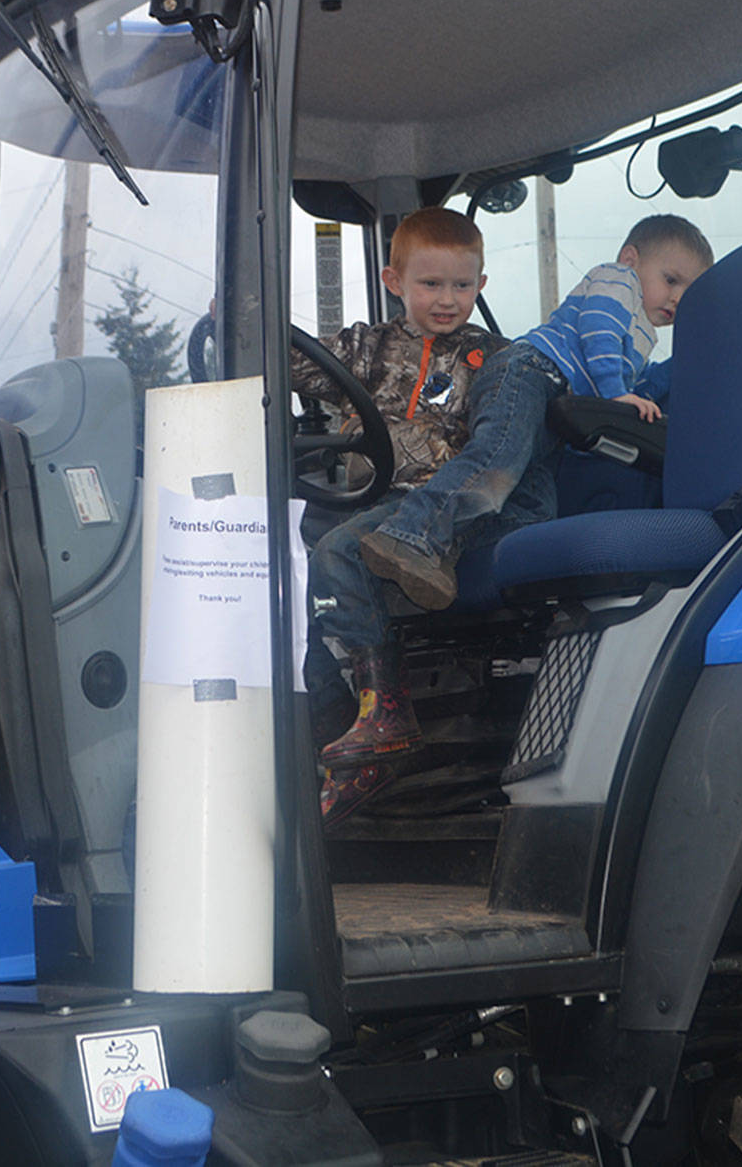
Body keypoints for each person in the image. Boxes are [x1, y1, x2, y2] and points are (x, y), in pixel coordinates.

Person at [357, 214, 713, 615]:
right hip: (530, 374)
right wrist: (616, 393)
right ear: (631, 258)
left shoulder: (641, 333)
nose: (677, 298)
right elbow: (598, 332)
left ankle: (435, 554)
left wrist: (691, 360)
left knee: (534, 511)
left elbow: (637, 387)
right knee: (496, 463)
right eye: (671, 280)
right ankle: (410, 533)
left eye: (690, 293)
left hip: (550, 415)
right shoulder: (618, 282)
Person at [297, 208, 506, 821]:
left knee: (338, 552)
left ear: (481, 286)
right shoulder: (368, 347)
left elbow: (519, 414)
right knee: (278, 585)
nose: (448, 300)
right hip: (370, 498)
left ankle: (384, 713)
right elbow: (290, 360)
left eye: (462, 286)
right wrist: (238, 316)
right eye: (431, 284)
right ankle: (339, 730)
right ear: (394, 282)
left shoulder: (489, 357)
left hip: (433, 510)